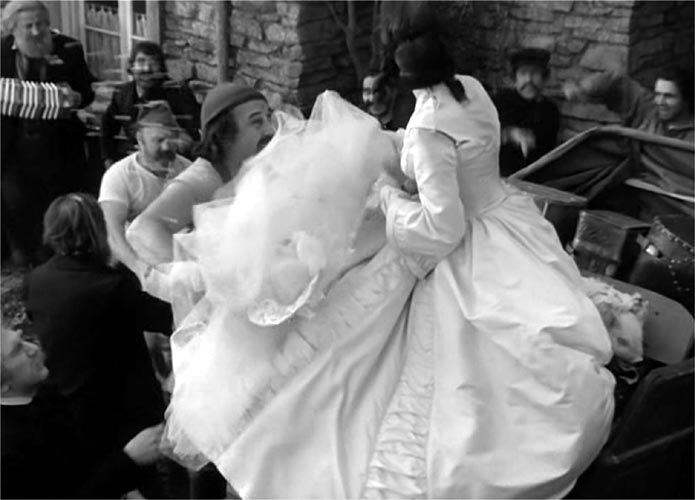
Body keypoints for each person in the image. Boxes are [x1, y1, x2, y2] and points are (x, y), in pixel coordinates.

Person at [158, 19, 616, 498]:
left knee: (364, 358)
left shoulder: (430, 129)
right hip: (505, 224)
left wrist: (390, 196)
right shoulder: (472, 90)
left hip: (459, 248)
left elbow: (441, 229)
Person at [24, 193, 174, 496]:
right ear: (98, 231)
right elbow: (168, 319)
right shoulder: (111, 285)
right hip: (125, 411)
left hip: (70, 403)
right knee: (143, 481)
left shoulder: (35, 280)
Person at [1, 318, 165, 499]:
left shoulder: (43, 392)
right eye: (17, 350)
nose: (32, 348)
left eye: (23, 339)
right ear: (3, 387)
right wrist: (129, 460)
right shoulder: (9, 454)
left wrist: (127, 488)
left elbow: (87, 454)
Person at [127, 82, 276, 266]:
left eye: (268, 119)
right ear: (225, 131)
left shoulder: (253, 168)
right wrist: (199, 273)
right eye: (256, 122)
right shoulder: (203, 179)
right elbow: (143, 229)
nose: (270, 130)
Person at [1, 0, 96, 267]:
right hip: (13, 143)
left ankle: (54, 255)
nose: (36, 32)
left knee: (56, 201)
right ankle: (23, 254)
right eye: (29, 26)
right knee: (16, 201)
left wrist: (78, 97)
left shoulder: (70, 48)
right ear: (12, 29)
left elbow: (87, 91)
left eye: (42, 24)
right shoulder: (1, 52)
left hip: (58, 143)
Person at [99, 100, 191, 278]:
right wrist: (140, 269)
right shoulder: (119, 175)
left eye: (171, 139)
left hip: (179, 267)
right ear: (140, 139)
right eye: (158, 140)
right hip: (134, 268)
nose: (166, 146)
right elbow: (113, 233)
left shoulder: (187, 170)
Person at [101, 40, 201, 167]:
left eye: (153, 63)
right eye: (141, 62)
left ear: (161, 68)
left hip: (172, 164)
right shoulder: (122, 93)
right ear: (132, 66)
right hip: (135, 163)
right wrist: (108, 159)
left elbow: (192, 138)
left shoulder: (178, 93)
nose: (147, 69)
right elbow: (107, 128)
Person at [563, 66, 694, 142]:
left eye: (669, 96)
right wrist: (583, 87)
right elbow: (619, 84)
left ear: (686, 99)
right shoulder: (649, 111)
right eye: (658, 94)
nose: (660, 102)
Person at [493, 47, 560, 176]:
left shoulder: (550, 111)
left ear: (544, 78)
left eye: (535, 73)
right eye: (523, 73)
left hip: (533, 178)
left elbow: (547, 152)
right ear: (515, 78)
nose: (529, 80)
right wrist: (509, 134)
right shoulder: (500, 101)